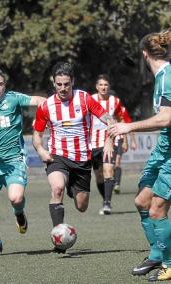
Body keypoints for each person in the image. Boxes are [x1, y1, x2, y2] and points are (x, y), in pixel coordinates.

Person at [32, 62, 114, 253]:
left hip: (82, 160)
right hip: (57, 157)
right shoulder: (46, 106)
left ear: (73, 82)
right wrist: (41, 151)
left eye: (66, 84)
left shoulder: (85, 99)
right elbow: (37, 136)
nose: (63, 88)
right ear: (54, 83)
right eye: (59, 84)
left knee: (82, 206)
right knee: (57, 188)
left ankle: (73, 187)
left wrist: (109, 139)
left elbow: (108, 118)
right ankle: (59, 241)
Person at [109, 30, 171, 282]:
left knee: (157, 209)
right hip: (164, 149)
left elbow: (167, 118)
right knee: (142, 201)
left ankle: (169, 264)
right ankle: (157, 254)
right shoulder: (160, 78)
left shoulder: (167, 77)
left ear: (144, 55)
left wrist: (128, 126)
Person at [0, 67, 45, 256]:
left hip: (14, 160)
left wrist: (53, 103)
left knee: (16, 198)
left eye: (0, 84)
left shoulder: (13, 98)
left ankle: (19, 214)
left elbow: (36, 100)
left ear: (5, 85)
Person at [90, 75, 131, 214]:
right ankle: (105, 198)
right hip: (93, 142)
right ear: (97, 87)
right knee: (99, 175)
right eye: (101, 84)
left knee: (108, 170)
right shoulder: (90, 100)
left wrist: (124, 140)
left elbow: (121, 119)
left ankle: (107, 203)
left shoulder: (115, 101)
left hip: (110, 140)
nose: (103, 87)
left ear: (109, 86)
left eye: (106, 85)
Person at [113, 106, 137, 194]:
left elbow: (129, 126)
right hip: (108, 141)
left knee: (117, 162)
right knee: (111, 165)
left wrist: (132, 141)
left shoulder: (122, 110)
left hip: (120, 140)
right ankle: (111, 181)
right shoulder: (104, 108)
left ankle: (117, 184)